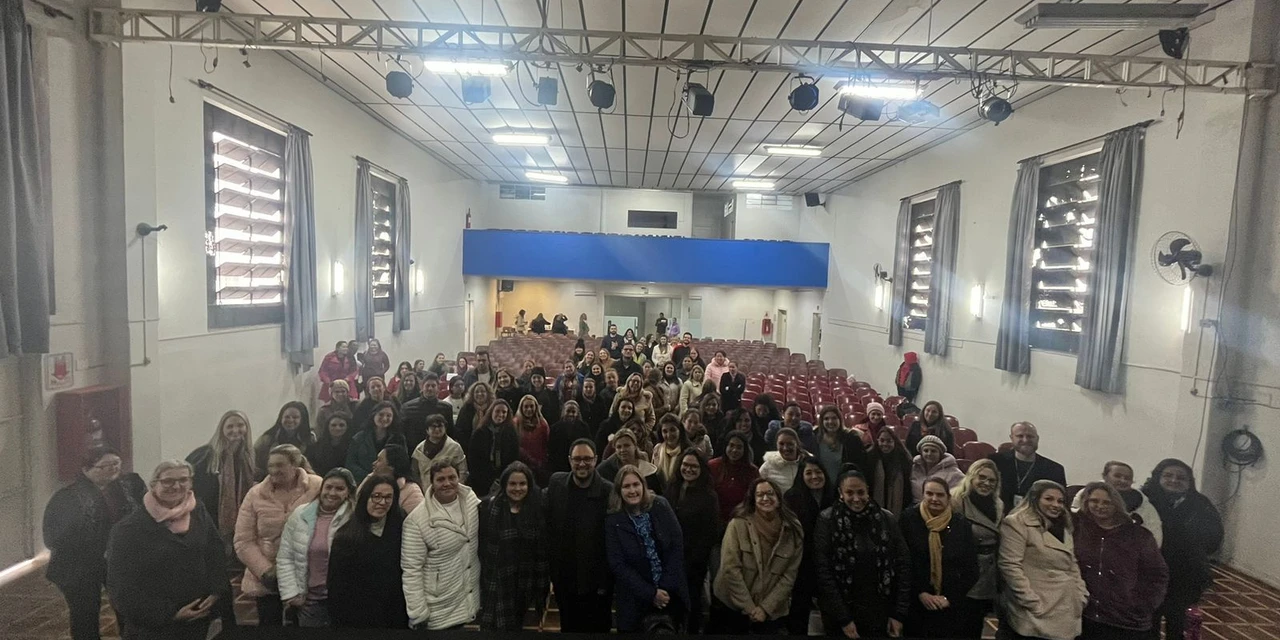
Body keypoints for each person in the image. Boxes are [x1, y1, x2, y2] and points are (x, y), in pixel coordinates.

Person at [106, 460, 229, 640]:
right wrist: (171, 614)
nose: (176, 486)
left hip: (199, 616)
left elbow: (215, 552)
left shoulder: (198, 511)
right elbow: (121, 588)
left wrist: (216, 590)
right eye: (168, 481)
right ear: (153, 484)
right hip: (154, 627)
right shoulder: (128, 529)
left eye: (183, 480)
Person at [43, 447, 146, 640]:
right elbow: (54, 536)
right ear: (86, 470)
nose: (113, 469)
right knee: (85, 612)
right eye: (105, 466)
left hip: (118, 558)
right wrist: (97, 549)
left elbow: (143, 515)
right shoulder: (67, 497)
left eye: (116, 463)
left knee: (127, 605)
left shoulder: (129, 486)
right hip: (79, 564)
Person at [814, 467, 911, 640]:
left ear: (868, 491)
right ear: (840, 493)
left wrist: (899, 613)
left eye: (861, 492)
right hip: (841, 613)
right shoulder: (827, 520)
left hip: (880, 611)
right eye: (849, 493)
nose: (856, 498)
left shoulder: (886, 518)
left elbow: (903, 564)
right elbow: (823, 572)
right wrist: (844, 618)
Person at [234, 444, 322, 626]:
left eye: (280, 465)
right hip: (266, 578)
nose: (274, 470)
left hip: (305, 575)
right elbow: (243, 540)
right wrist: (266, 571)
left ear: (295, 465)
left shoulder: (317, 486)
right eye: (271, 465)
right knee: (269, 627)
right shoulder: (255, 494)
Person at [1074, 482, 1168, 640]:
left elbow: (1157, 574)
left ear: (1116, 504)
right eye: (1094, 501)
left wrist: (1142, 604)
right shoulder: (1077, 530)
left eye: (1107, 502)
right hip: (1086, 616)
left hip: (1125, 620)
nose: (1100, 506)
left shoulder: (1139, 535)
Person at [1142, 459, 1223, 640]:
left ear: (1189, 481)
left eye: (1181, 477)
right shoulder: (1143, 500)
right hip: (1150, 572)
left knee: (1178, 621)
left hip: (1185, 574)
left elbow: (1214, 536)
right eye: (1168, 475)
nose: (1174, 480)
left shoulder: (1201, 503)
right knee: (1149, 621)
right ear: (1158, 476)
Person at [711, 477, 805, 634]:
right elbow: (730, 568)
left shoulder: (793, 529)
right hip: (731, 606)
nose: (765, 498)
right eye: (760, 495)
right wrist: (749, 607)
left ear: (779, 499)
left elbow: (789, 576)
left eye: (770, 493)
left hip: (771, 610)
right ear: (753, 500)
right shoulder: (738, 524)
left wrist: (765, 608)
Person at [998, 479, 1088, 640]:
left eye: (1060, 501)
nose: (1056, 505)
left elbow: (1072, 563)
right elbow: (1010, 566)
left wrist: (1081, 595)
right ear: (1035, 499)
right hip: (1037, 609)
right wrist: (1031, 602)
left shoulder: (1064, 525)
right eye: (1049, 499)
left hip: (1066, 605)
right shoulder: (1017, 523)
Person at [604, 464, 689, 632]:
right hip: (635, 600)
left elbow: (676, 546)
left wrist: (664, 588)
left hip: (670, 594)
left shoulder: (660, 505)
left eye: (636, 484)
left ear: (643, 485)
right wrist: (651, 594)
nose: (632, 490)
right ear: (619, 491)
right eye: (626, 486)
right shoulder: (613, 521)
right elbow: (617, 564)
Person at [402, 460, 482, 630]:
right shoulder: (416, 521)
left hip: (468, 600)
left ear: (459, 478)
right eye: (440, 479)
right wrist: (418, 613)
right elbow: (411, 570)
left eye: (452, 477)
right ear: (431, 482)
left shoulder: (471, 501)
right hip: (438, 608)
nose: (447, 483)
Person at [546, 440, 615, 632]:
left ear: (596, 460)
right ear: (569, 460)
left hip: (597, 583)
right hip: (565, 580)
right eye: (577, 459)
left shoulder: (608, 491)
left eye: (587, 459)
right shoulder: (557, 484)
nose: (582, 464)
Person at [276, 468, 357, 628]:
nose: (332, 493)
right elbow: (285, 557)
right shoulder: (300, 514)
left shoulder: (355, 518)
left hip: (344, 602)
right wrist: (291, 593)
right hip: (309, 603)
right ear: (321, 488)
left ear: (348, 492)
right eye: (328, 487)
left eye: (339, 488)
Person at [899, 477, 979, 638]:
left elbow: (971, 569)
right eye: (929, 494)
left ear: (948, 497)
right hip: (915, 604)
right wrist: (921, 593)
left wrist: (949, 598)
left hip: (949, 606)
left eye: (940, 495)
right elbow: (903, 562)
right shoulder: (908, 520)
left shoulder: (962, 525)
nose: (934, 499)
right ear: (922, 495)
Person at [326, 475, 408, 629]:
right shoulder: (346, 537)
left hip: (395, 616)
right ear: (365, 498)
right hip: (357, 620)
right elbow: (336, 588)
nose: (382, 502)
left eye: (388, 497)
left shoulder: (403, 527)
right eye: (376, 496)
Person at [478, 462, 548, 630]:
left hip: (526, 584)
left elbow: (541, 552)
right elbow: (482, 548)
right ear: (504, 485)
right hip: (497, 582)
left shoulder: (537, 510)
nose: (518, 488)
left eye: (522, 483)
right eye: (513, 484)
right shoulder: (488, 508)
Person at [666, 449, 721, 633]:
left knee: (692, 604)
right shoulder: (672, 487)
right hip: (670, 558)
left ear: (701, 469)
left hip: (694, 562)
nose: (688, 469)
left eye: (694, 466)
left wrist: (692, 559)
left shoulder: (709, 497)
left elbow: (710, 533)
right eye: (685, 465)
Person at [950, 458, 1004, 637]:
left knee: (976, 623)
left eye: (992, 480)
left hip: (988, 572)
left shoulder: (998, 504)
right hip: (963, 571)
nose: (986, 483)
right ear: (971, 477)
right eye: (982, 477)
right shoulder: (956, 501)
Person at [783, 456, 834, 635]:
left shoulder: (833, 495)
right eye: (809, 473)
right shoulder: (791, 497)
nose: (814, 477)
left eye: (818, 472)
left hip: (829, 561)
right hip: (802, 561)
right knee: (800, 608)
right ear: (801, 475)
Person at [186, 410, 256, 538]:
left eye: (240, 425)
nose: (235, 430)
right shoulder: (204, 455)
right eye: (230, 426)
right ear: (221, 429)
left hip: (240, 521)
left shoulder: (248, 458)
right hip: (207, 519)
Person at [1070, 461, 1163, 546]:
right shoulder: (1084, 494)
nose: (1122, 480)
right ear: (1105, 476)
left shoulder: (1144, 505)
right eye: (1117, 476)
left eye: (1127, 478)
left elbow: (1155, 536)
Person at [988, 422, 1067, 509]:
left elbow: (1061, 504)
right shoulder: (995, 462)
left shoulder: (1054, 469)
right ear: (1012, 438)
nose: (1025, 440)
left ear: (1037, 439)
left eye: (1030, 436)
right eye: (1020, 436)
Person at [466, 399, 522, 498]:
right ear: (491, 412)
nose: (500, 414)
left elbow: (514, 457)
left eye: (504, 412)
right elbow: (473, 459)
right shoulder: (480, 432)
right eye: (497, 411)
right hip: (481, 480)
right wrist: (489, 480)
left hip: (504, 479)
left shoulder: (511, 433)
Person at [345, 401, 407, 481]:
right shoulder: (359, 438)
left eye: (389, 415)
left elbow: (402, 464)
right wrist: (370, 476)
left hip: (389, 481)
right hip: (362, 481)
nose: (384, 418)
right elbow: (350, 464)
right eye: (381, 414)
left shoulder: (399, 439)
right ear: (374, 415)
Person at [813, 406, 871, 485]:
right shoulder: (814, 437)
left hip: (845, 486)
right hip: (821, 486)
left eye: (834, 418)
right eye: (826, 419)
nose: (830, 421)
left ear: (840, 420)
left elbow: (861, 466)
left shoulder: (852, 439)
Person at [254, 402, 313, 478]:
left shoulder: (310, 440)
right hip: (270, 478)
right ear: (281, 418)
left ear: (302, 420)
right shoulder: (267, 439)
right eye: (287, 417)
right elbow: (255, 462)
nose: (290, 420)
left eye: (295, 417)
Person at [401, 373, 456, 451]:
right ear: (422, 387)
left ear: (438, 388)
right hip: (413, 450)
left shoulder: (446, 408)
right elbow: (402, 433)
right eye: (427, 385)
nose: (430, 388)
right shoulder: (408, 408)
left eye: (433, 386)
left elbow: (450, 432)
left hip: (439, 450)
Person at [596, 428, 663, 493]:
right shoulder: (605, 469)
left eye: (626, 445)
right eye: (619, 447)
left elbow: (658, 492)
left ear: (635, 446)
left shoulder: (648, 469)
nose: (622, 450)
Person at [867, 426, 913, 516]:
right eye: (882, 440)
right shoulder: (870, 458)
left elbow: (907, 489)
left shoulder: (904, 460)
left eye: (889, 441)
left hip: (899, 507)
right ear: (877, 441)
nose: (885, 444)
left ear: (895, 441)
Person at [411, 414, 469, 484]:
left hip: (448, 487)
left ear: (445, 428)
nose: (437, 429)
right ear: (427, 430)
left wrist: (456, 486)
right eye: (433, 427)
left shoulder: (455, 447)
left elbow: (463, 471)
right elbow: (414, 473)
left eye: (440, 426)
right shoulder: (419, 449)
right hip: (425, 488)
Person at [370, 443, 424, 514]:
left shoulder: (412, 491)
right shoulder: (369, 480)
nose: (374, 463)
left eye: (379, 460)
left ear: (391, 467)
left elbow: (416, 518)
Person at [910, 435, 965, 501]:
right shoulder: (914, 468)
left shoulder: (955, 473)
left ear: (940, 454)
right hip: (915, 505)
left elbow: (959, 496)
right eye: (926, 450)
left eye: (933, 451)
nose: (929, 454)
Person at [760, 427, 808, 494]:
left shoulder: (808, 463)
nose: (785, 448)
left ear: (797, 444)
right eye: (781, 444)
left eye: (790, 444)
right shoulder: (767, 467)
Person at [515, 394, 551, 482]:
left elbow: (546, 443)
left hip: (539, 465)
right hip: (521, 464)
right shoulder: (515, 423)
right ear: (521, 408)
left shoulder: (543, 424)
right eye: (526, 406)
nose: (529, 409)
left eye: (531, 406)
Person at [652, 413, 694, 484]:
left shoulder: (689, 451)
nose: (669, 435)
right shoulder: (657, 449)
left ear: (680, 430)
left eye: (672, 430)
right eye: (665, 431)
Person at [455, 381, 495, 449]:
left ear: (488, 393)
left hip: (490, 447)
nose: (480, 394)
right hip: (468, 446)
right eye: (476, 392)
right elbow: (459, 429)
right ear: (472, 394)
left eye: (483, 391)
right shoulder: (466, 408)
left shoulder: (494, 407)